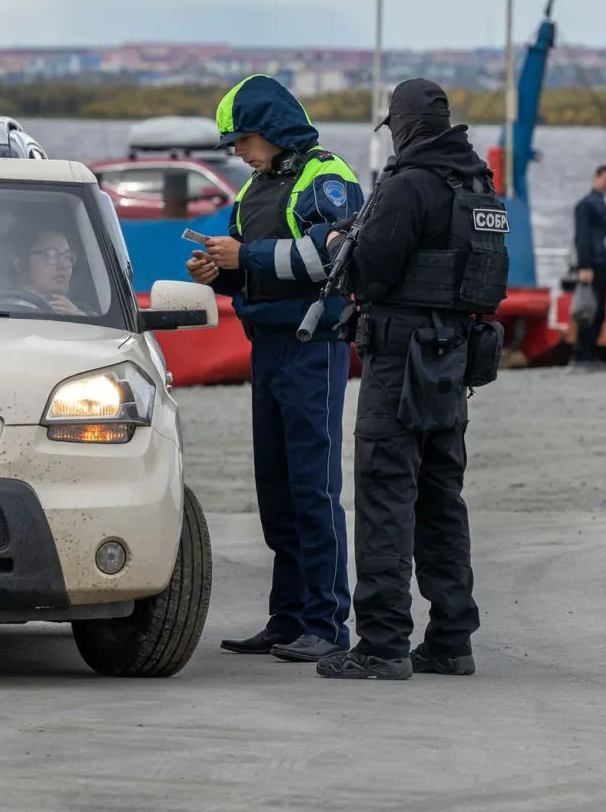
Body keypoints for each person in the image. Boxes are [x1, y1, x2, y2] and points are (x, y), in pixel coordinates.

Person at [317, 78, 506, 681]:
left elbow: (369, 273)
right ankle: (452, 639)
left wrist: (342, 241)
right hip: (455, 360)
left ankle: (382, 644)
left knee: (385, 496)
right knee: (442, 499)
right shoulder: (478, 186)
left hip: (400, 359)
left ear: (401, 127)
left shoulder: (408, 186)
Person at [184, 74, 363, 664]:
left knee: (314, 488)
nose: (236, 150)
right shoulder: (254, 191)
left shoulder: (326, 177)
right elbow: (258, 266)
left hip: (314, 347)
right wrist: (221, 272)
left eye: (242, 138)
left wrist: (246, 256)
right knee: (278, 491)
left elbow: (336, 255)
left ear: (273, 130)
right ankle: (287, 618)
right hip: (269, 347)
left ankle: (327, 622)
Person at [0, 224, 88, 315]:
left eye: (67, 256)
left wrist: (78, 319)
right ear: (21, 264)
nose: (63, 265)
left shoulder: (84, 313)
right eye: (50, 254)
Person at [571, 165, 606, 369]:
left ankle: (590, 354)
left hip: (602, 262)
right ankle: (582, 356)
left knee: (599, 311)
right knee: (588, 310)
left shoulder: (601, 204)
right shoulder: (586, 205)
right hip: (592, 264)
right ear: (595, 178)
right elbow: (582, 237)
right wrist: (584, 265)